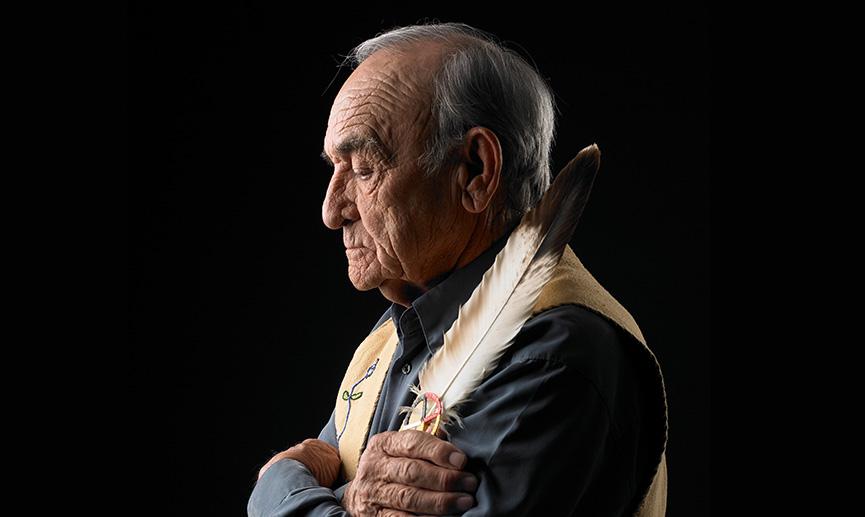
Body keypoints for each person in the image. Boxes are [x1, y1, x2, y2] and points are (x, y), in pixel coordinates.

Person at [248, 23, 667, 517]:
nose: (331, 209)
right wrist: (343, 498)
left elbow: (299, 481)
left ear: (475, 170)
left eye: (363, 169)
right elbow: (339, 488)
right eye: (332, 169)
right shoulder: (392, 337)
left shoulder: (554, 356)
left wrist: (277, 489)